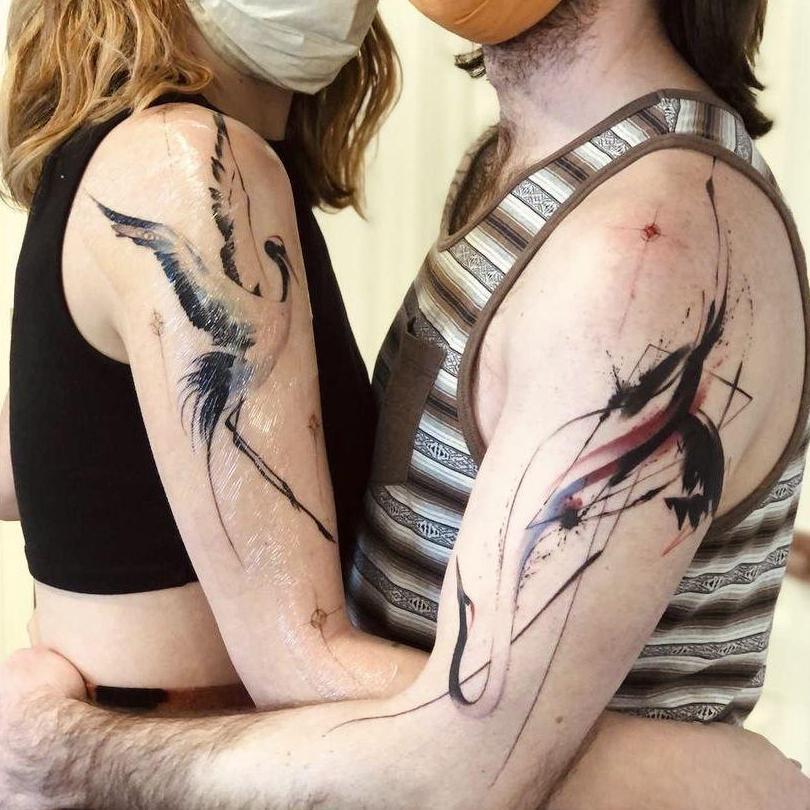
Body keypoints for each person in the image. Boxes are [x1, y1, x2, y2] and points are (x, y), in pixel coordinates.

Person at [2, 1, 810, 809]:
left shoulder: (647, 244)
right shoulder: (517, 167)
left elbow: (460, 753)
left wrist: (69, 749)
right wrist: (692, 774)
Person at [0, 0, 422, 712]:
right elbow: (303, 664)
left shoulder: (125, 149)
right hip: (187, 745)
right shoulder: (181, 160)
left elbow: (23, 468)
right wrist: (622, 735)